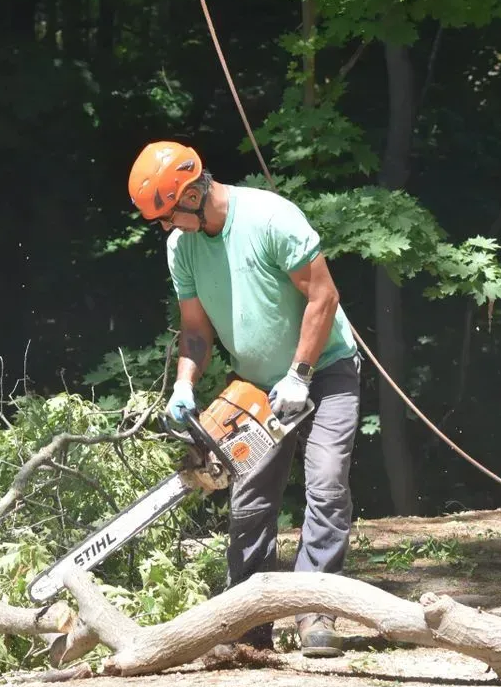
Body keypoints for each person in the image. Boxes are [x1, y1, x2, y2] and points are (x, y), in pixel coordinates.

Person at [128, 140, 361, 658]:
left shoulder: (271, 218)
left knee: (325, 482)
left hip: (325, 370)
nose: (165, 228)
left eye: (167, 216)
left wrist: (300, 374)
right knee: (251, 500)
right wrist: (185, 383)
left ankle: (315, 609)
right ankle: (249, 622)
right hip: (255, 383)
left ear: (191, 193)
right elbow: (194, 328)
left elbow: (324, 296)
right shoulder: (181, 247)